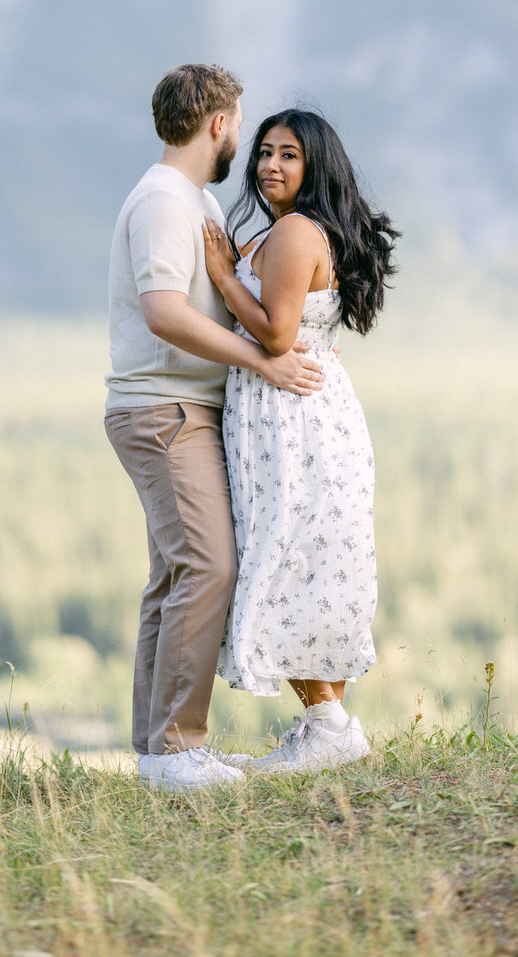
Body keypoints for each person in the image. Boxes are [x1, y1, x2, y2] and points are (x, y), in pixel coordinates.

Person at [104, 66, 324, 793]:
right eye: (242, 127)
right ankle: (176, 749)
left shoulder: (186, 197)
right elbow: (163, 312)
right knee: (209, 566)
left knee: (174, 575)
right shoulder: (167, 200)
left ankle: (156, 749)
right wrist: (264, 362)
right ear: (220, 125)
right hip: (164, 408)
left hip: (180, 406)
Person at [202, 108, 398, 774]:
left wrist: (225, 275)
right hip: (302, 411)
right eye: (262, 152)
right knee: (304, 559)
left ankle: (328, 725)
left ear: (314, 165)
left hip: (288, 417)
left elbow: (276, 335)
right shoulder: (303, 230)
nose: (268, 166)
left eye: (287, 154)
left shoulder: (291, 232)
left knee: (284, 556)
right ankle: (326, 729)